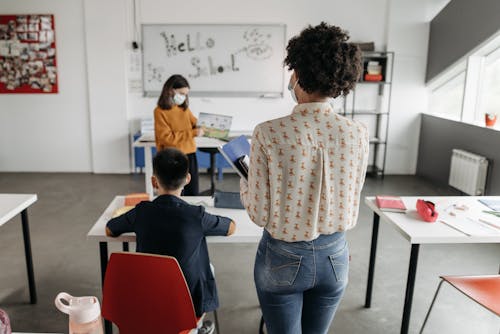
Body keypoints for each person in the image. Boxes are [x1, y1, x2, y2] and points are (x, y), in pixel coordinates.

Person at [240, 22, 369, 334]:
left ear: (297, 73)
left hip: (282, 255)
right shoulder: (357, 133)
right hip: (336, 257)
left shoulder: (268, 133)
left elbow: (259, 214)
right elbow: (352, 193)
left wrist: (246, 184)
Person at [106, 147, 236, 318]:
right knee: (207, 268)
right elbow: (231, 228)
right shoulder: (196, 215)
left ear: (154, 181)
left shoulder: (141, 212)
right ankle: (197, 327)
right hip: (188, 306)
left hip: (149, 298)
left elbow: (110, 229)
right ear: (188, 179)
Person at [154, 74, 203, 196]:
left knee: (192, 191)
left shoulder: (184, 109)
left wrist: (203, 125)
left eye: (186, 94)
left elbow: (195, 122)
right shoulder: (160, 111)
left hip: (189, 155)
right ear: (170, 90)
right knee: (173, 193)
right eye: (181, 93)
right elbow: (166, 138)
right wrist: (193, 133)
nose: (184, 97)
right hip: (172, 158)